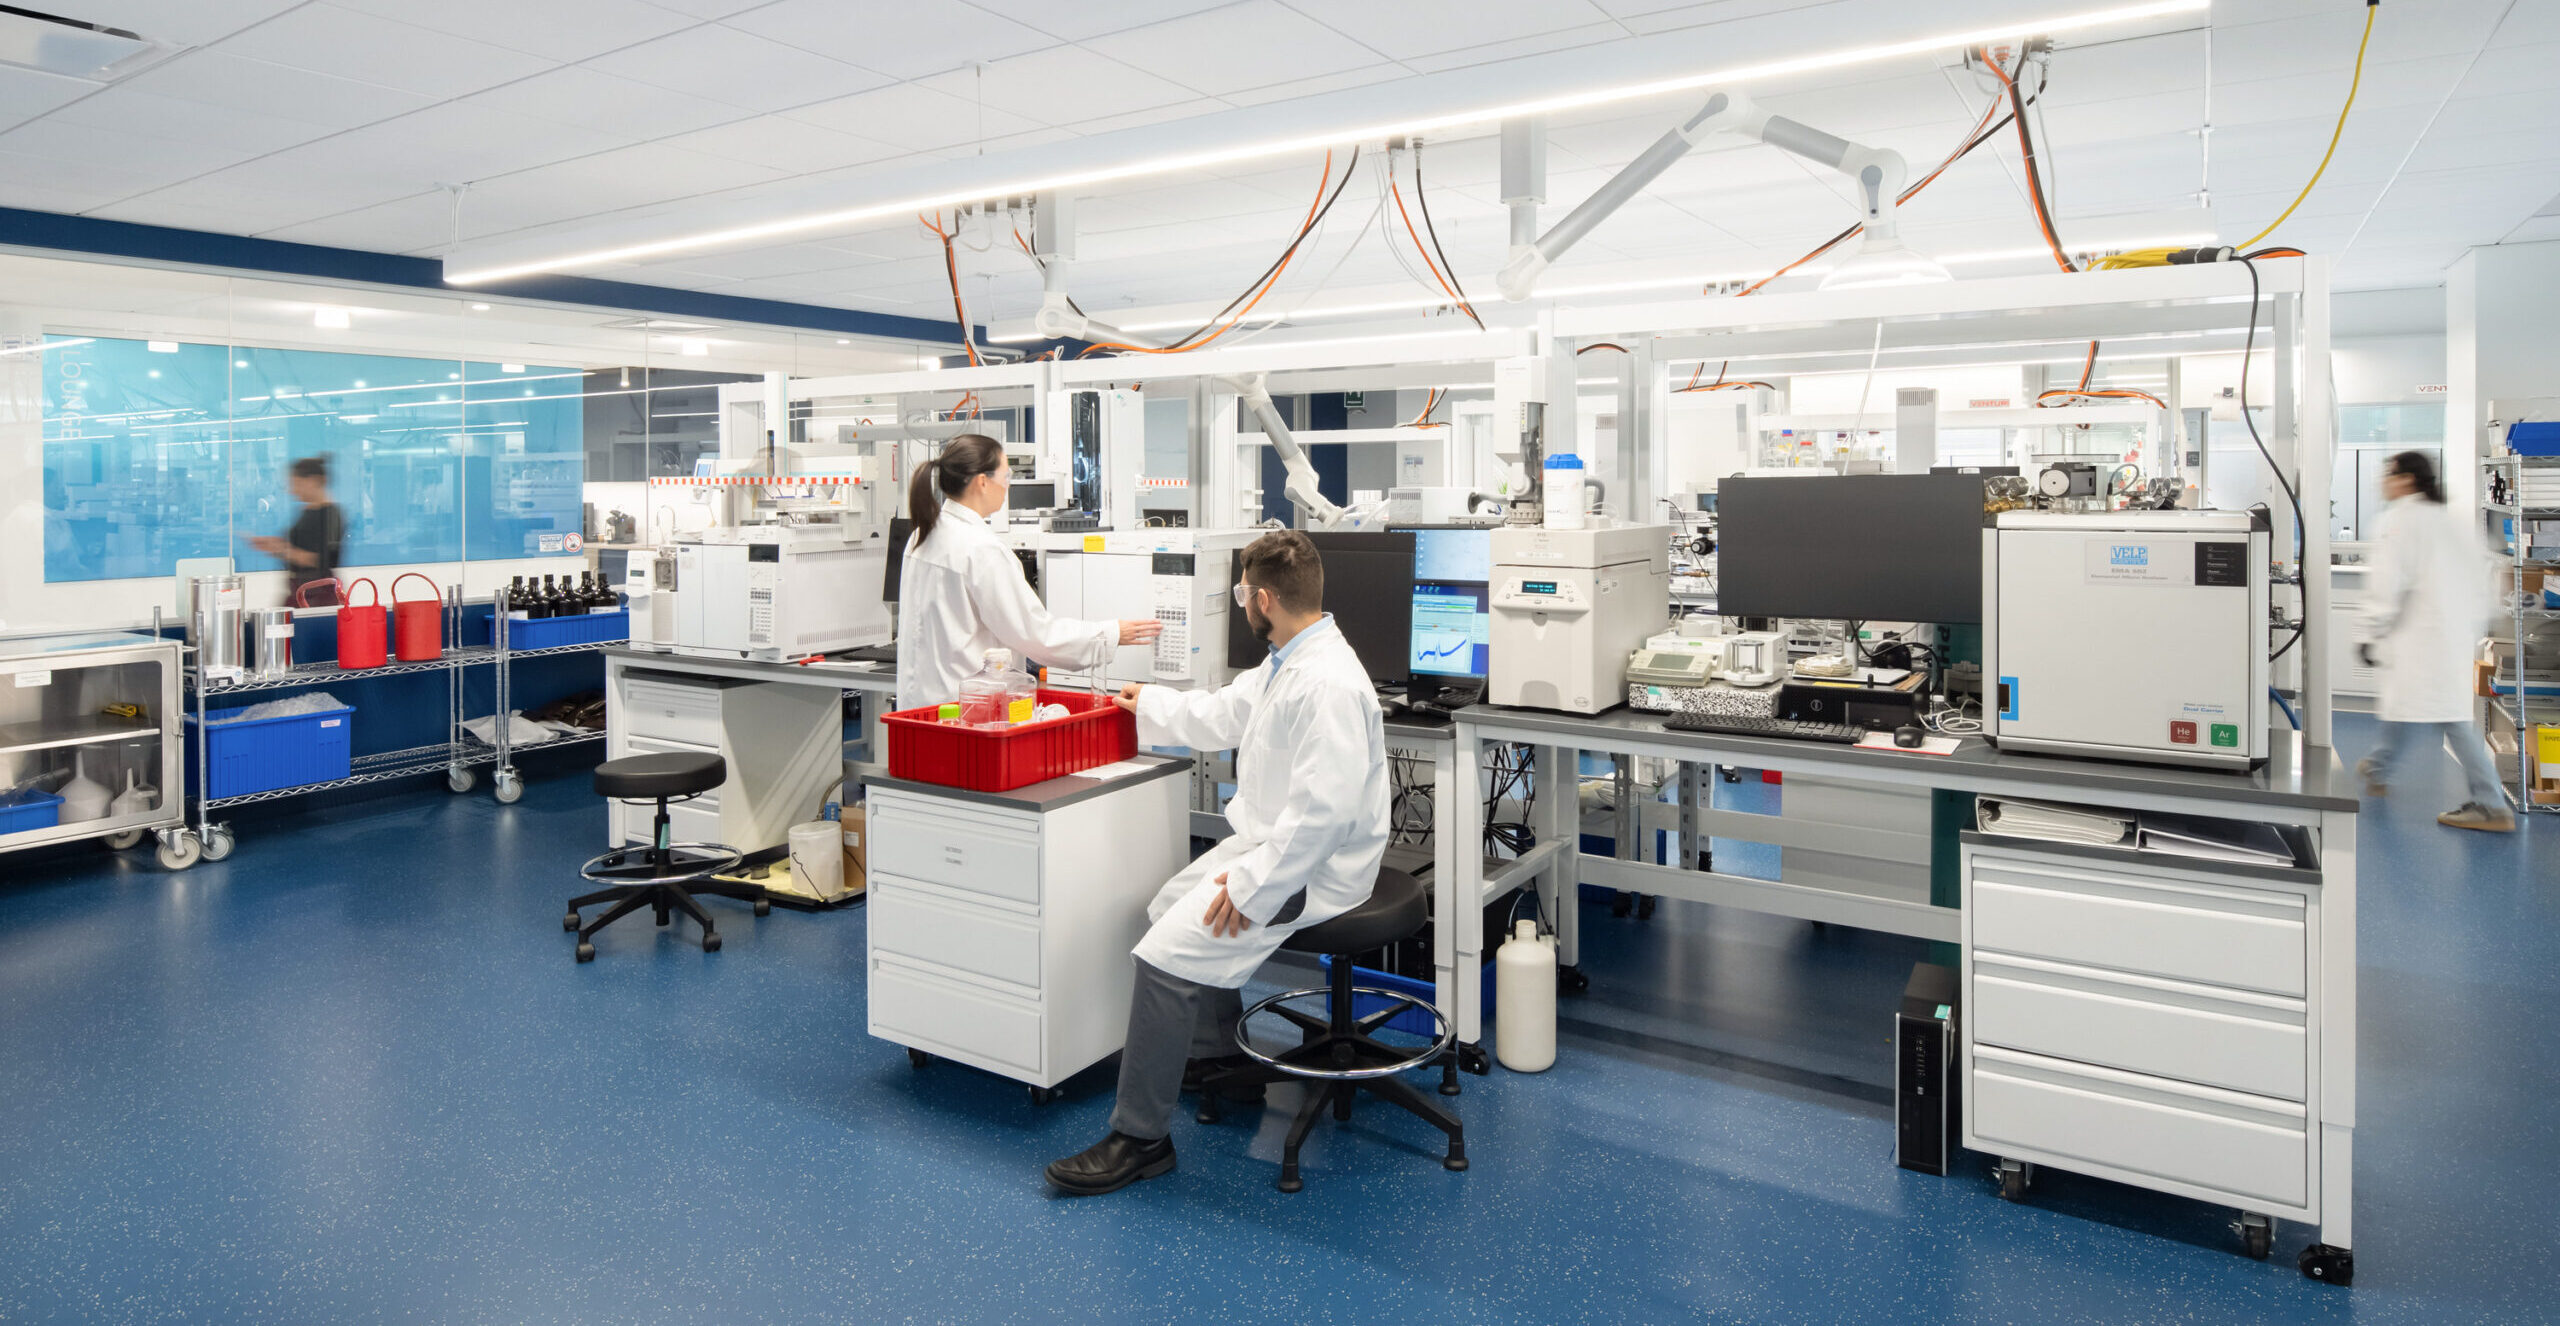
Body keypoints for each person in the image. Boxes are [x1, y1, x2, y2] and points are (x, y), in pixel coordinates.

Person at [1045, 530, 1390, 1196]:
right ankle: (1215, 1057)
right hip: (1275, 846)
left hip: (1311, 870)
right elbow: (1226, 713)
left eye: (1241, 595)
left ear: (1261, 599)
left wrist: (1257, 887)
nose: (1241, 606)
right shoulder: (1288, 658)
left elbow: (1324, 816)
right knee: (1163, 909)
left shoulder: (1327, 684)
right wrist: (1149, 705)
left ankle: (1140, 1139)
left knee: (1162, 956)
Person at [893, 434, 1157, 709]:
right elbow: (1036, 635)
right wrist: (1110, 634)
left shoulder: (923, 535)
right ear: (982, 482)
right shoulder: (981, 549)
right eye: (1006, 477)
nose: (1007, 486)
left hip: (920, 710)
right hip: (966, 715)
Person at [2357, 450, 2510, 831]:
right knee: (2411, 707)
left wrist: (2370, 631)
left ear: (2406, 479)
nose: (2382, 482)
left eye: (2387, 474)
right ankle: (2378, 766)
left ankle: (2491, 805)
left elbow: (2387, 583)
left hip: (2419, 638)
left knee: (2449, 718)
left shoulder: (2398, 521)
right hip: (2449, 637)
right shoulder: (2450, 520)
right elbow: (2483, 576)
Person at [245, 454, 342, 606]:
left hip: (317, 595)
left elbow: (317, 559)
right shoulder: (308, 510)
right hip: (299, 590)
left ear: (313, 481)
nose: (292, 491)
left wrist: (281, 550)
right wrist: (271, 544)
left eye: (296, 484)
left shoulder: (331, 514)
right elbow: (300, 544)